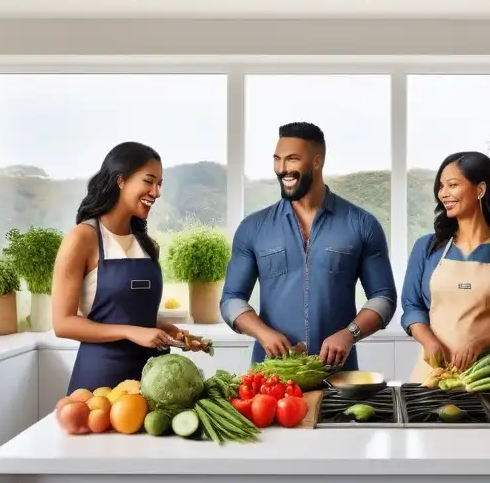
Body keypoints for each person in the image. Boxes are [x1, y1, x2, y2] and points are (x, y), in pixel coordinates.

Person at [220, 122, 397, 370]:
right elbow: (231, 300)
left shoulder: (362, 224)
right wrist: (263, 333)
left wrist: (350, 333)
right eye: (277, 159)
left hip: (337, 375)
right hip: (271, 378)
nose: (282, 169)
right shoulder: (253, 227)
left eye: (292, 159)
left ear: (316, 162)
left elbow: (384, 298)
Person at [52, 142, 187, 394]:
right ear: (121, 181)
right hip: (100, 383)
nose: (156, 192)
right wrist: (131, 332)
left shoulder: (147, 245)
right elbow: (63, 323)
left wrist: (168, 331)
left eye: (160, 184)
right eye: (149, 181)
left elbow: (129, 312)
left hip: (153, 382)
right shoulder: (82, 239)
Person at [400, 151, 490, 382]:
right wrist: (430, 341)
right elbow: (412, 306)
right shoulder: (426, 247)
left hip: (489, 373)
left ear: (480, 190)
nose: (443, 194)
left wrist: (480, 344)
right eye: (441, 186)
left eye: (452, 185)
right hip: (433, 372)